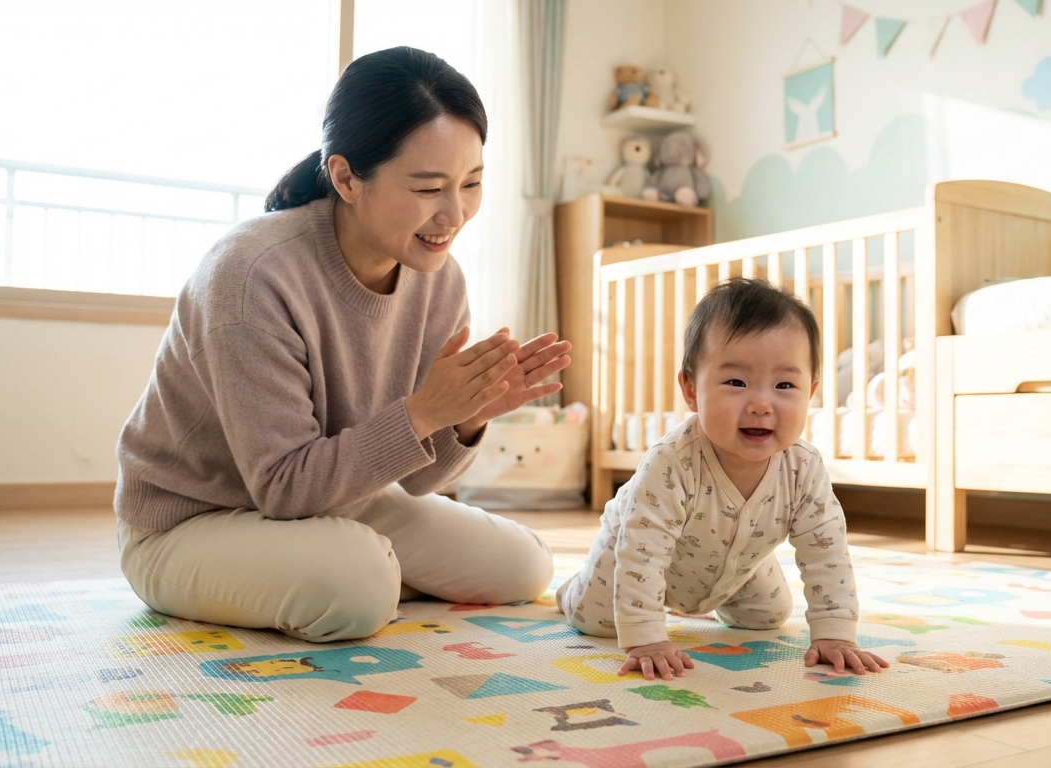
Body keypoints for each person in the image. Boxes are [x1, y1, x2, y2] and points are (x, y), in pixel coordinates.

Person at [114, 46, 570, 643]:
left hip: (332, 501)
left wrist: (464, 421)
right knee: (359, 588)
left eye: (472, 183)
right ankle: (348, 567)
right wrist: (426, 410)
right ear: (347, 177)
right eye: (429, 187)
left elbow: (412, 479)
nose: (453, 214)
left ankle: (339, 563)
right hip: (189, 522)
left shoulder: (440, 279)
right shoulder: (252, 274)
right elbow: (281, 487)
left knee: (523, 566)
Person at [557, 278, 889, 681]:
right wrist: (646, 637)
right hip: (632, 553)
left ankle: (725, 584)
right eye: (736, 382)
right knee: (596, 621)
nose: (762, 404)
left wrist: (836, 633)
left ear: (811, 392)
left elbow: (827, 551)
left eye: (785, 385)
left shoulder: (804, 468)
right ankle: (572, 587)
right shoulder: (670, 462)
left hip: (736, 565)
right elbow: (643, 550)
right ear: (691, 389)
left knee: (770, 616)